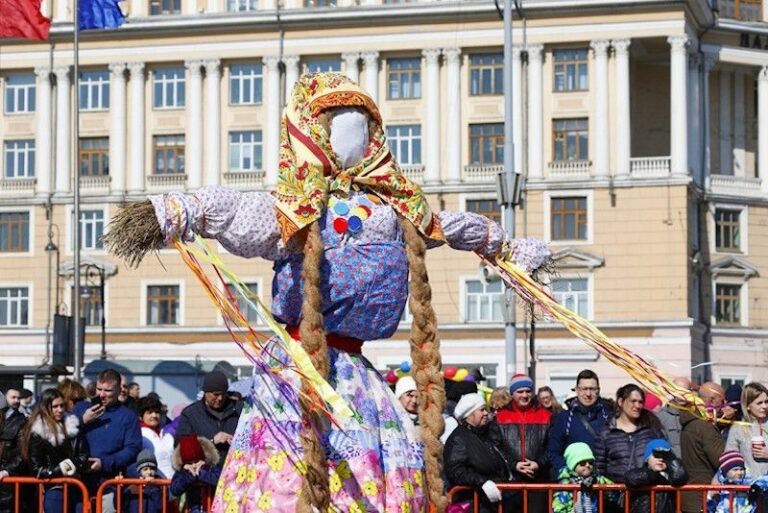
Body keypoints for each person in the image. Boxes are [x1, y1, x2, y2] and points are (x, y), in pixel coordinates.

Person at [103, 71, 551, 513]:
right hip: (300, 368)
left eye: (361, 125)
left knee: (365, 464)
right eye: (341, 124)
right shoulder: (298, 208)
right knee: (292, 466)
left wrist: (504, 247)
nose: (354, 136)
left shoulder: (392, 210)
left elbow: (449, 226)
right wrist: (175, 211)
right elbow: (238, 212)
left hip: (352, 373)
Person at [74, 368, 142, 513]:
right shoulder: (81, 409)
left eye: (108, 390)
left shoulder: (128, 417)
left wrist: (104, 463)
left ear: (119, 391)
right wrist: (82, 420)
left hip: (109, 484)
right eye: (99, 389)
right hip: (78, 483)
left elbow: (133, 449)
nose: (101, 394)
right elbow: (62, 434)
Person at [20, 388, 89, 513]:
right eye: (55, 406)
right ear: (46, 407)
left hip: (76, 486)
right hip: (54, 489)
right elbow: (36, 469)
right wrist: (61, 469)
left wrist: (73, 464)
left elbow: (84, 454)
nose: (60, 410)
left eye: (62, 405)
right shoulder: (38, 431)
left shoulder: (73, 424)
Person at [443, 393, 512, 513]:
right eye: (482, 410)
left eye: (486, 409)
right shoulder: (458, 438)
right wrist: (482, 482)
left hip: (494, 502)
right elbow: (456, 470)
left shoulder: (486, 434)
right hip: (474, 503)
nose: (486, 413)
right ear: (469, 415)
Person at [494, 373, 550, 513]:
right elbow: (495, 447)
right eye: (520, 391)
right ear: (512, 394)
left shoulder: (547, 415)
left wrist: (539, 463)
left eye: (528, 391)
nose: (524, 395)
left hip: (538, 483)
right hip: (510, 483)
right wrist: (513, 464)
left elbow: (552, 447)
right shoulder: (500, 417)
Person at [593, 384, 665, 483]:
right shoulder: (605, 433)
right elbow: (599, 469)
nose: (637, 406)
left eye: (640, 402)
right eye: (633, 401)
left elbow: (665, 460)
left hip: (648, 490)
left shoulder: (652, 431)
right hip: (617, 490)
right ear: (621, 402)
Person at [548, 370, 612, 477]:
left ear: (598, 390)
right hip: (573, 482)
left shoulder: (610, 417)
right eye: (584, 389)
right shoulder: (563, 418)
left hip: (603, 481)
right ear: (577, 390)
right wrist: (565, 471)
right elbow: (553, 451)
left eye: (592, 389)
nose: (588, 394)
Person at [175, 370, 241, 467]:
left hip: (236, 470)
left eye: (223, 394)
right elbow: (180, 446)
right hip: (205, 472)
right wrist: (211, 442)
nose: (220, 398)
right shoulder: (190, 414)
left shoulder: (240, 410)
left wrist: (239, 441)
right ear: (205, 392)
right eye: (216, 394)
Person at [680, 401, 725, 513]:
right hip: (704, 495)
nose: (723, 407)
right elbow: (722, 460)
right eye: (721, 402)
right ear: (711, 400)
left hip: (691, 495)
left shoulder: (689, 423)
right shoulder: (705, 427)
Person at [625, 438, 688, 513]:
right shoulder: (641, 472)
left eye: (664, 456)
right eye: (656, 455)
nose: (661, 459)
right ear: (647, 459)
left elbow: (680, 476)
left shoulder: (671, 476)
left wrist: (671, 458)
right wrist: (658, 477)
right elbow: (631, 478)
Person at [552, 442, 614, 513]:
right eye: (582, 463)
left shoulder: (597, 479)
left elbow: (613, 493)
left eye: (590, 462)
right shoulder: (565, 486)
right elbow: (559, 509)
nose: (587, 465)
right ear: (572, 466)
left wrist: (597, 482)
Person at [726, 382, 768, 477]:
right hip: (748, 484)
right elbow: (729, 460)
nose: (764, 406)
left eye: (766, 402)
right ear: (748, 405)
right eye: (759, 403)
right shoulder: (738, 428)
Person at [170, 435, 221, 513]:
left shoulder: (211, 467)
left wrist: (201, 474)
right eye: (190, 463)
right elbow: (174, 489)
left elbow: (220, 481)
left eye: (196, 462)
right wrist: (190, 477)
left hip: (212, 509)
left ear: (203, 459)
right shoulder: (183, 472)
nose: (194, 466)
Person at [0, 388, 27, 512]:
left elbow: (23, 452)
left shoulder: (21, 422)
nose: (16, 400)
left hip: (9, 485)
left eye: (18, 398)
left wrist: (6, 471)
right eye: (13, 397)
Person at [138, 395, 175, 479]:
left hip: (172, 482)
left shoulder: (167, 434)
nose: (154, 415)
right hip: (153, 483)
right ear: (141, 416)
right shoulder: (139, 434)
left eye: (157, 412)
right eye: (149, 412)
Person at [656, 376, 692, 458]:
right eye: (678, 391)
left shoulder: (697, 415)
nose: (682, 395)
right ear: (671, 392)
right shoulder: (661, 417)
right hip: (672, 463)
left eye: (685, 391)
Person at [121, 449, 163, 513]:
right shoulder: (132, 485)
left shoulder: (160, 484)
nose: (149, 472)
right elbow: (119, 505)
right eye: (145, 469)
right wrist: (120, 488)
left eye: (152, 469)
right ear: (139, 471)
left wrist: (152, 487)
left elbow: (160, 505)